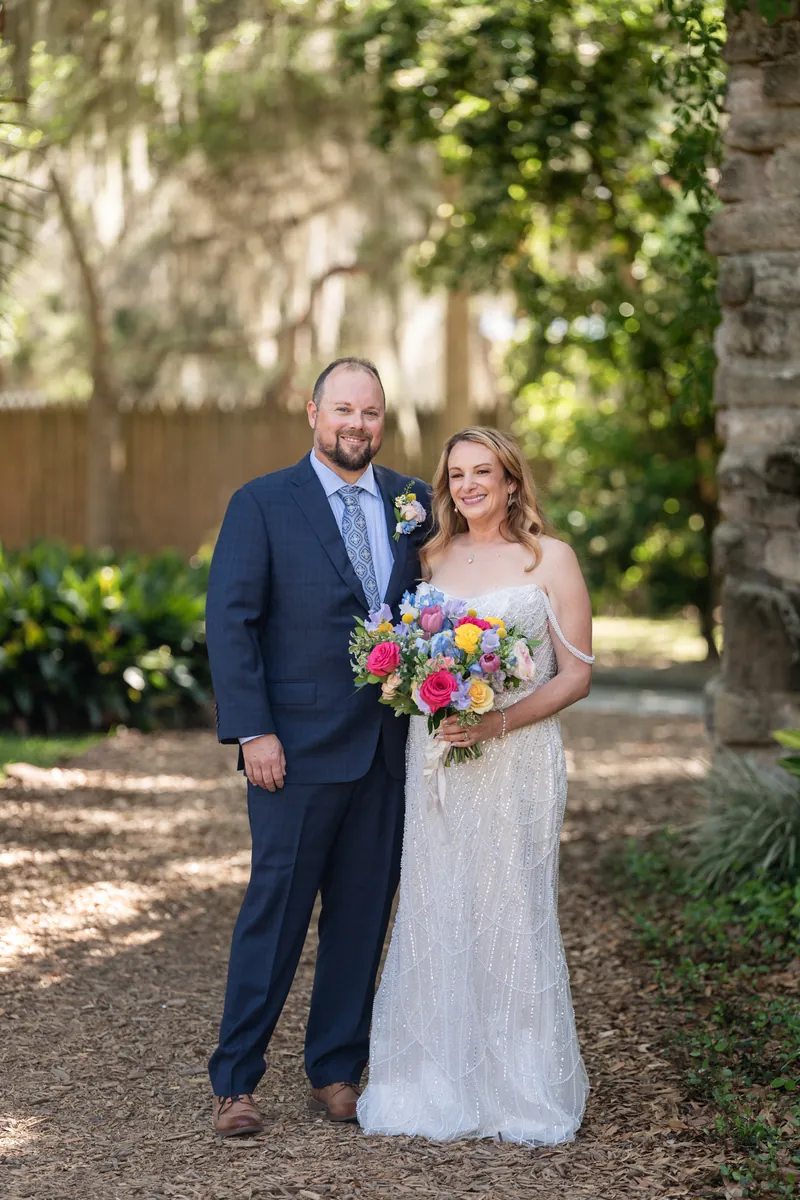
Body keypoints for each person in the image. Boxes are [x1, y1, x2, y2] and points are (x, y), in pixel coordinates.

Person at [205, 357, 430, 1136]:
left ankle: (336, 1070)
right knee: (276, 914)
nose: (356, 426)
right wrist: (253, 729)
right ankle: (235, 1082)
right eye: (343, 410)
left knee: (362, 918)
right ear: (312, 413)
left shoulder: (413, 502)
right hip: (292, 753)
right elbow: (230, 623)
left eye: (370, 413)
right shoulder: (263, 504)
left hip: (386, 751)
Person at [358, 426, 593, 1146]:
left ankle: (522, 1086)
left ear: (512, 481)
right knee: (439, 898)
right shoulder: (426, 557)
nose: (467, 485)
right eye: (456, 474)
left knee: (513, 905)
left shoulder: (549, 559)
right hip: (438, 758)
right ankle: (435, 1079)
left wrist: (501, 723)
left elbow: (578, 673)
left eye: (482, 471)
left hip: (516, 756)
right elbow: (396, 655)